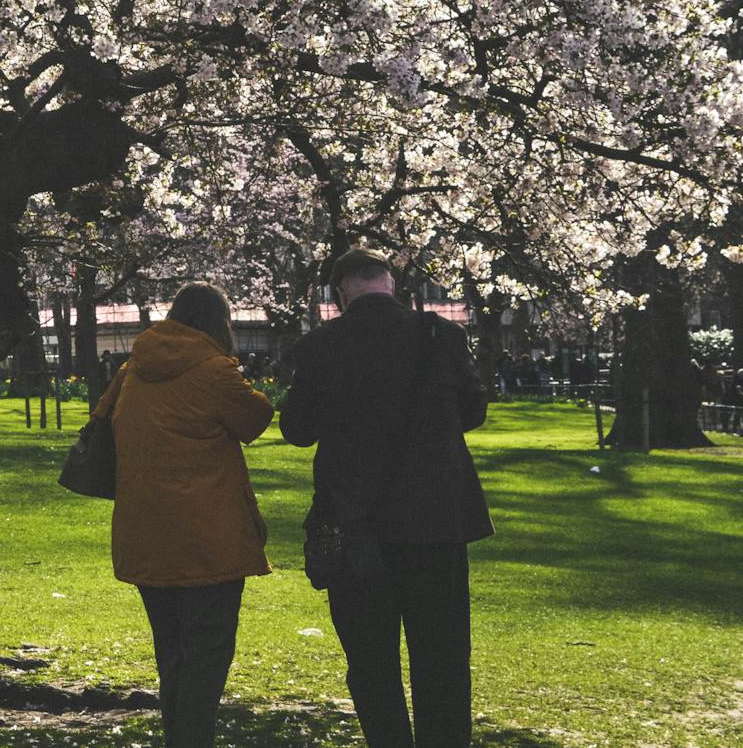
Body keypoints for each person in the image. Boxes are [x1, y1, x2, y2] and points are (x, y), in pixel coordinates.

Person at [281, 248, 491, 748]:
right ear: (390, 283)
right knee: (441, 654)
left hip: (356, 521)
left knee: (371, 657)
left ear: (340, 294)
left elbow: (297, 430)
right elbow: (473, 412)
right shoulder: (442, 336)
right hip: (435, 517)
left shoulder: (321, 346)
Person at [94, 281, 273, 748]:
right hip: (207, 537)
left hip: (146, 533)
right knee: (207, 652)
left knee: (171, 652)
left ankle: (179, 736)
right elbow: (256, 418)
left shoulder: (134, 368)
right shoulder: (215, 372)